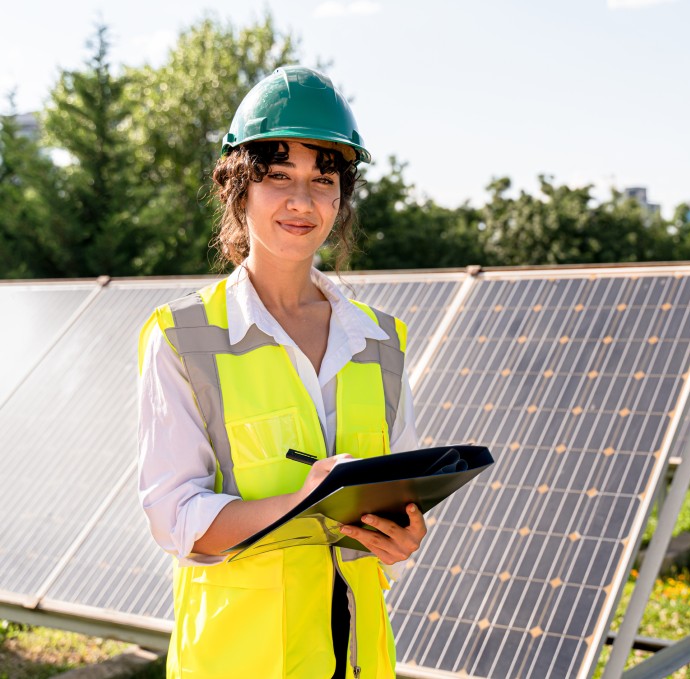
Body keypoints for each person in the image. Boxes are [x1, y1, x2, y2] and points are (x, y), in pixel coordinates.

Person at [137, 65, 426, 679]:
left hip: (358, 660)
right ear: (238, 189)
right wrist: (302, 503)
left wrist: (399, 538)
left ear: (341, 198)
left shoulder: (381, 341)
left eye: (323, 180)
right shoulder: (182, 337)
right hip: (237, 663)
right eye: (278, 177)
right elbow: (176, 519)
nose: (303, 201)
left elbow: (396, 502)